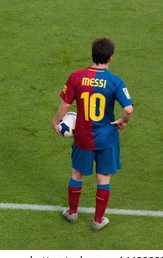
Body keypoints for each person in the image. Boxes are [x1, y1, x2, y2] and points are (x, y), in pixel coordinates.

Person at [52, 38, 133, 231]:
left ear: (92, 55)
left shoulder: (76, 77)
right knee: (103, 177)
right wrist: (123, 121)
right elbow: (128, 109)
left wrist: (55, 122)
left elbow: (65, 104)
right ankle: (98, 220)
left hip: (83, 137)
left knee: (76, 173)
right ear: (110, 58)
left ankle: (72, 213)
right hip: (107, 138)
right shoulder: (115, 81)